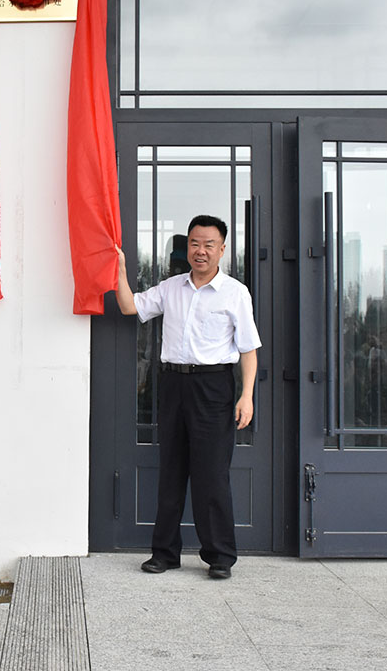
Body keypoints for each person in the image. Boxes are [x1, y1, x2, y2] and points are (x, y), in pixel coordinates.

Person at [115, 214, 260, 580]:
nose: (201, 251)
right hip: (173, 385)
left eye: (209, 245)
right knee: (172, 472)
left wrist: (247, 396)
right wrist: (119, 269)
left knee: (212, 475)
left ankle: (220, 556)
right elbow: (130, 306)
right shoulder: (171, 288)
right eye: (195, 243)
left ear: (222, 250)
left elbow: (248, 349)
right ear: (187, 247)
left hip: (213, 387)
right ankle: (164, 554)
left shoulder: (235, 293)